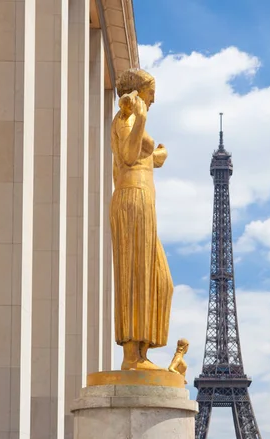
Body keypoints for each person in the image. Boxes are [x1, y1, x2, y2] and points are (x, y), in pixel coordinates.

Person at [111, 68, 173, 370]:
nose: (154, 97)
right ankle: (132, 357)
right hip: (132, 198)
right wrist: (141, 119)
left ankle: (143, 350)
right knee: (135, 273)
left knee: (161, 281)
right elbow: (128, 153)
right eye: (151, 90)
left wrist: (160, 153)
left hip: (144, 200)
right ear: (139, 90)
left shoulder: (134, 120)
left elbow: (147, 156)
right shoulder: (125, 118)